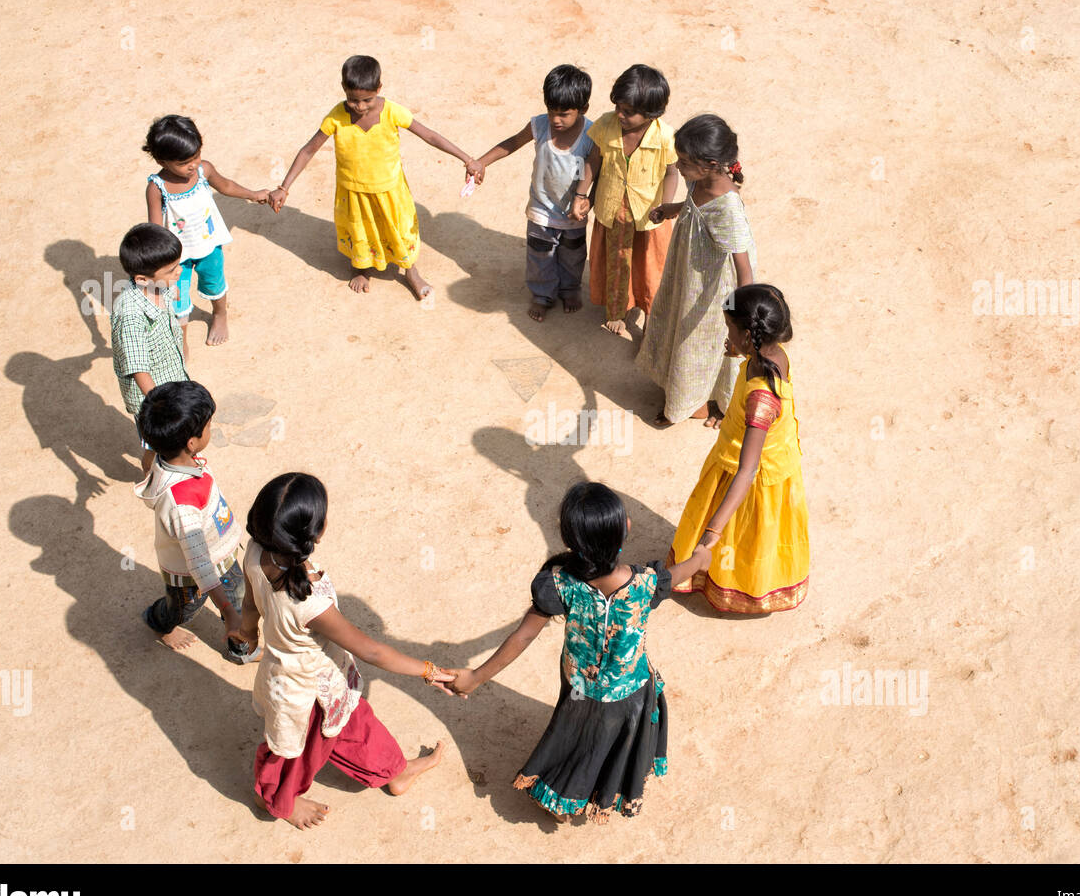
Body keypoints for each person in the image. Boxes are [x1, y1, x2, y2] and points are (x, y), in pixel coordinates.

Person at [449, 482, 712, 823]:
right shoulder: (647, 584)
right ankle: (600, 792)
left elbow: (522, 637)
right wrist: (700, 556)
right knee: (611, 745)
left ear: (571, 542)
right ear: (624, 531)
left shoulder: (558, 583)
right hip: (629, 690)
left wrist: (474, 677)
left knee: (578, 739)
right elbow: (683, 572)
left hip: (578, 685)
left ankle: (562, 798)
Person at [238, 473, 456, 829]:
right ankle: (279, 802)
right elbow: (373, 652)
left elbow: (250, 603)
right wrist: (430, 672)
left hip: (327, 682)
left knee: (357, 728)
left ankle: (395, 773)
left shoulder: (255, 551)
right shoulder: (309, 601)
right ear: (314, 534)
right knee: (293, 754)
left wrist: (246, 633)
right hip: (307, 693)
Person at [268, 54, 479, 300]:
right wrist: (284, 187)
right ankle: (361, 268)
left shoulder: (392, 112)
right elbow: (308, 150)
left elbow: (430, 136)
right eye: (352, 100)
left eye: (366, 100)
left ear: (379, 89)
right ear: (343, 89)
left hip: (390, 191)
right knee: (359, 231)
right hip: (353, 192)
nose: (359, 106)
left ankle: (410, 271)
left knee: (398, 230)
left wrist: (467, 158)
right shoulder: (336, 116)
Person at [668, 285, 810, 613]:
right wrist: (742, 351)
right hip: (767, 463)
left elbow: (747, 470)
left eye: (730, 329)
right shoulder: (771, 355)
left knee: (738, 530)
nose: (726, 334)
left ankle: (729, 581)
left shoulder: (762, 398)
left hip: (749, 475)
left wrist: (711, 534)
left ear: (748, 335)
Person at [636, 114, 755, 427]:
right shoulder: (698, 180)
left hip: (711, 292)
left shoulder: (727, 208)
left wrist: (741, 321)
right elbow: (691, 204)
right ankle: (686, 394)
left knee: (697, 343)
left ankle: (694, 404)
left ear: (712, 164)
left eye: (685, 161)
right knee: (678, 327)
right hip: (687, 276)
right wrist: (672, 210)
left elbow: (744, 270)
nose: (678, 165)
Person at [469, 65, 594, 320]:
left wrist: (587, 202)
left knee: (573, 253)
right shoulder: (539, 125)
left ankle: (570, 288)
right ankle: (542, 294)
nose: (555, 120)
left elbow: (597, 172)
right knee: (539, 254)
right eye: (551, 111)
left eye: (563, 114)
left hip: (573, 214)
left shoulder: (592, 135)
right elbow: (512, 143)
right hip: (541, 208)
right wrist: (482, 161)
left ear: (583, 109)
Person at [134, 381, 247, 655]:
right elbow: (199, 566)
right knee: (181, 610)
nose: (211, 428)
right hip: (190, 576)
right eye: (208, 425)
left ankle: (240, 647)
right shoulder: (181, 505)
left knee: (239, 597)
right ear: (191, 442)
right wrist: (226, 609)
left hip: (222, 556)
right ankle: (160, 622)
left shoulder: (177, 460)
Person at [570, 65, 680, 338]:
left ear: (652, 113)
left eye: (628, 111)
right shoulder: (606, 125)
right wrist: (581, 195)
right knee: (616, 262)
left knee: (651, 267)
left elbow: (672, 171)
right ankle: (617, 312)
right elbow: (594, 161)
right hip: (613, 211)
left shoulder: (665, 137)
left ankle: (654, 314)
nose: (620, 114)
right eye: (618, 107)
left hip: (649, 217)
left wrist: (665, 207)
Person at [142, 115, 269, 348]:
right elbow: (156, 227)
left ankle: (220, 315)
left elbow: (226, 186)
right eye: (183, 163)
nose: (193, 165)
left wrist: (253, 194)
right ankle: (182, 341)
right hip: (176, 258)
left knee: (215, 283)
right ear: (162, 161)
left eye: (196, 156)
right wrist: (159, 263)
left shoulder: (204, 170)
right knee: (177, 299)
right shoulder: (156, 188)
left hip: (209, 245)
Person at [111, 223, 187, 474]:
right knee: (155, 446)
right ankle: (151, 478)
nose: (178, 273)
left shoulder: (159, 285)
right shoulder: (130, 315)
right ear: (142, 278)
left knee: (175, 440)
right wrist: (161, 407)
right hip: (153, 399)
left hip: (172, 379)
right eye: (171, 270)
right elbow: (138, 368)